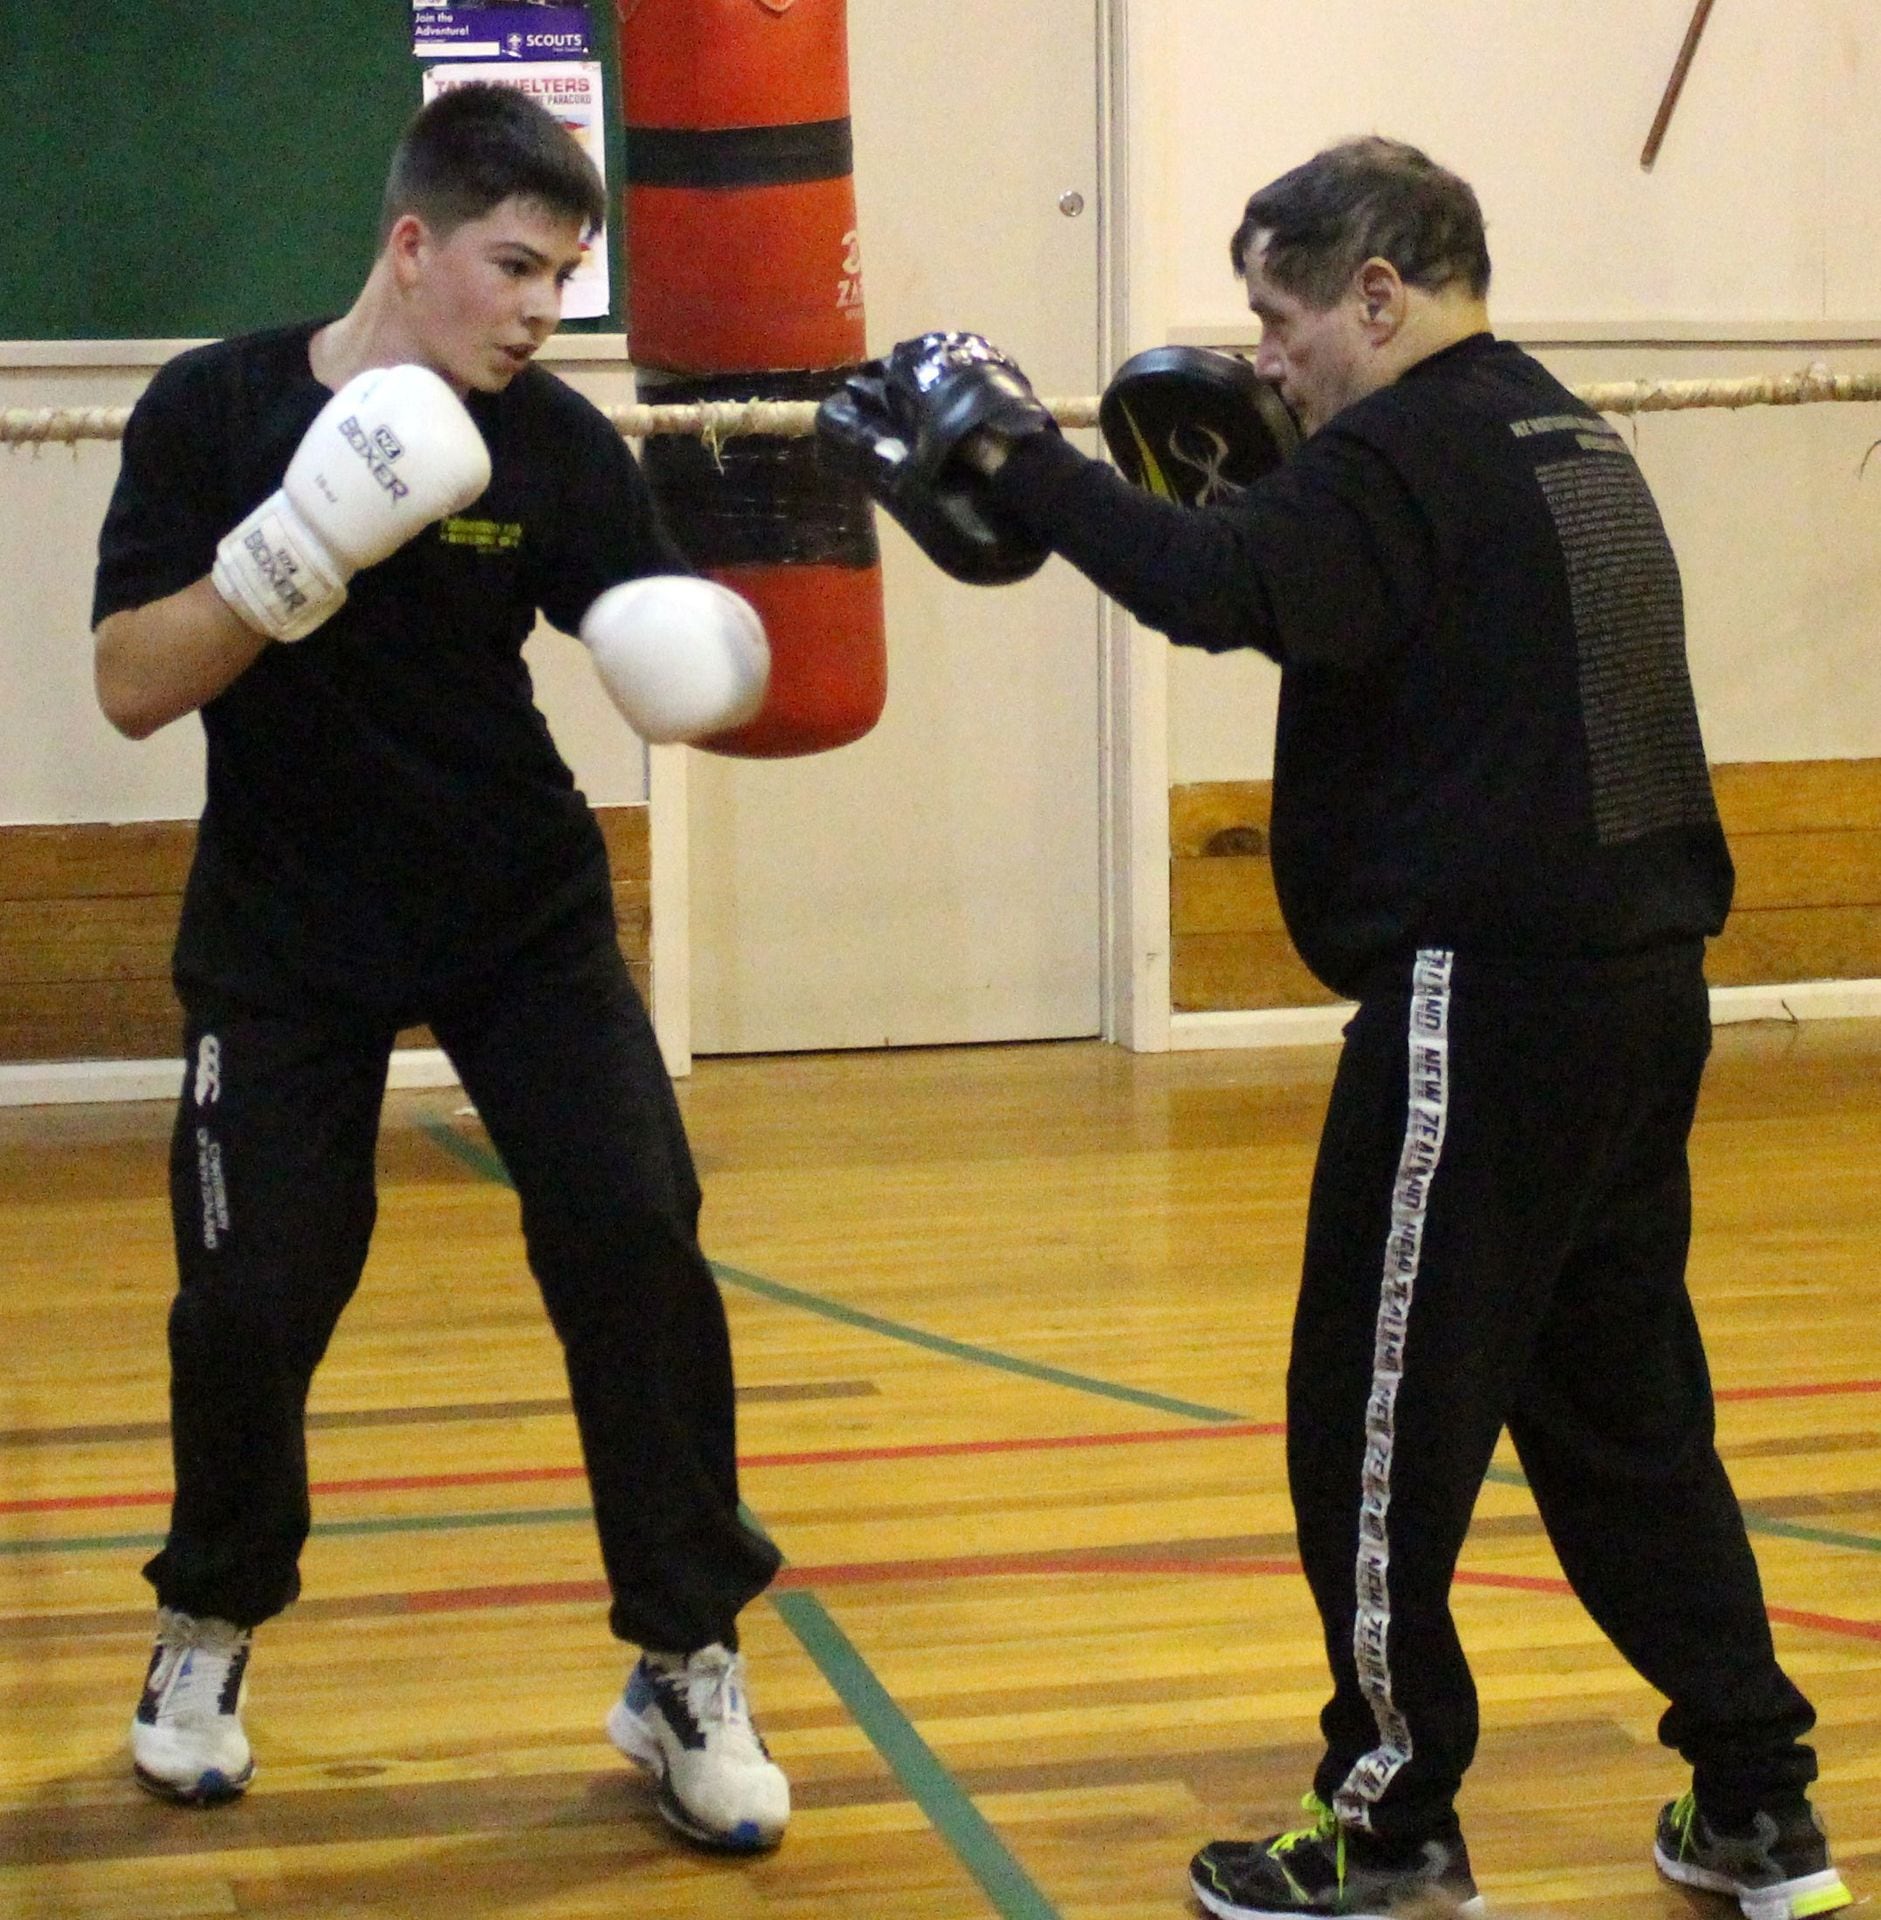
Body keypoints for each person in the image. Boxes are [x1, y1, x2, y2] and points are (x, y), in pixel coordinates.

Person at [818, 138, 1852, 1920]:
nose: (1264, 356)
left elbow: (1212, 593)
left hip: (1487, 1005)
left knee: (1370, 1418)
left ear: (1377, 295)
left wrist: (1019, 461)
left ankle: (1385, 1824)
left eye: (1279, 316)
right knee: (1621, 1417)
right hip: (1636, 993)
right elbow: (1319, 597)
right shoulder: (1554, 430)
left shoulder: (1406, 447)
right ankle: (1757, 1799)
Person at [91, 82, 789, 1854]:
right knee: (255, 1293)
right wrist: (288, 554)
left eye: (564, 276)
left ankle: (683, 1657)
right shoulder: (216, 406)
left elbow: (648, 635)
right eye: (512, 267)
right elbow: (130, 683)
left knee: (636, 1235)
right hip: (286, 922)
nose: (541, 310)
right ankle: (209, 1622)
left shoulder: (554, 445)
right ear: (411, 245)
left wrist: (688, 654)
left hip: (516, 909)